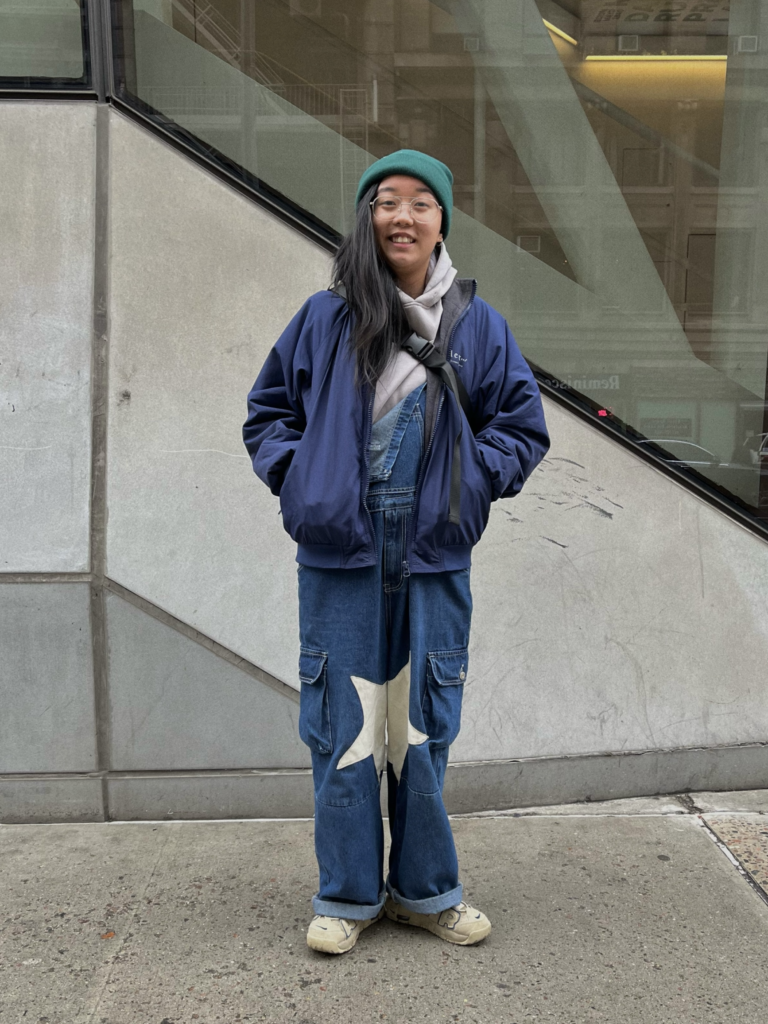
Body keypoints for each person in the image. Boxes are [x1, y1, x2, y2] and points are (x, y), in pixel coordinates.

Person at [243, 150, 549, 955]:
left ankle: (425, 892)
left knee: (422, 728)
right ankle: (345, 896)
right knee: (342, 726)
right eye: (385, 201)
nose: (401, 215)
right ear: (366, 219)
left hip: (434, 550)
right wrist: (303, 479)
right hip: (340, 551)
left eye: (420, 202)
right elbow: (267, 413)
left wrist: (471, 484)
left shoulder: (479, 327)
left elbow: (521, 426)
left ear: (443, 220)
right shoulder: (324, 317)